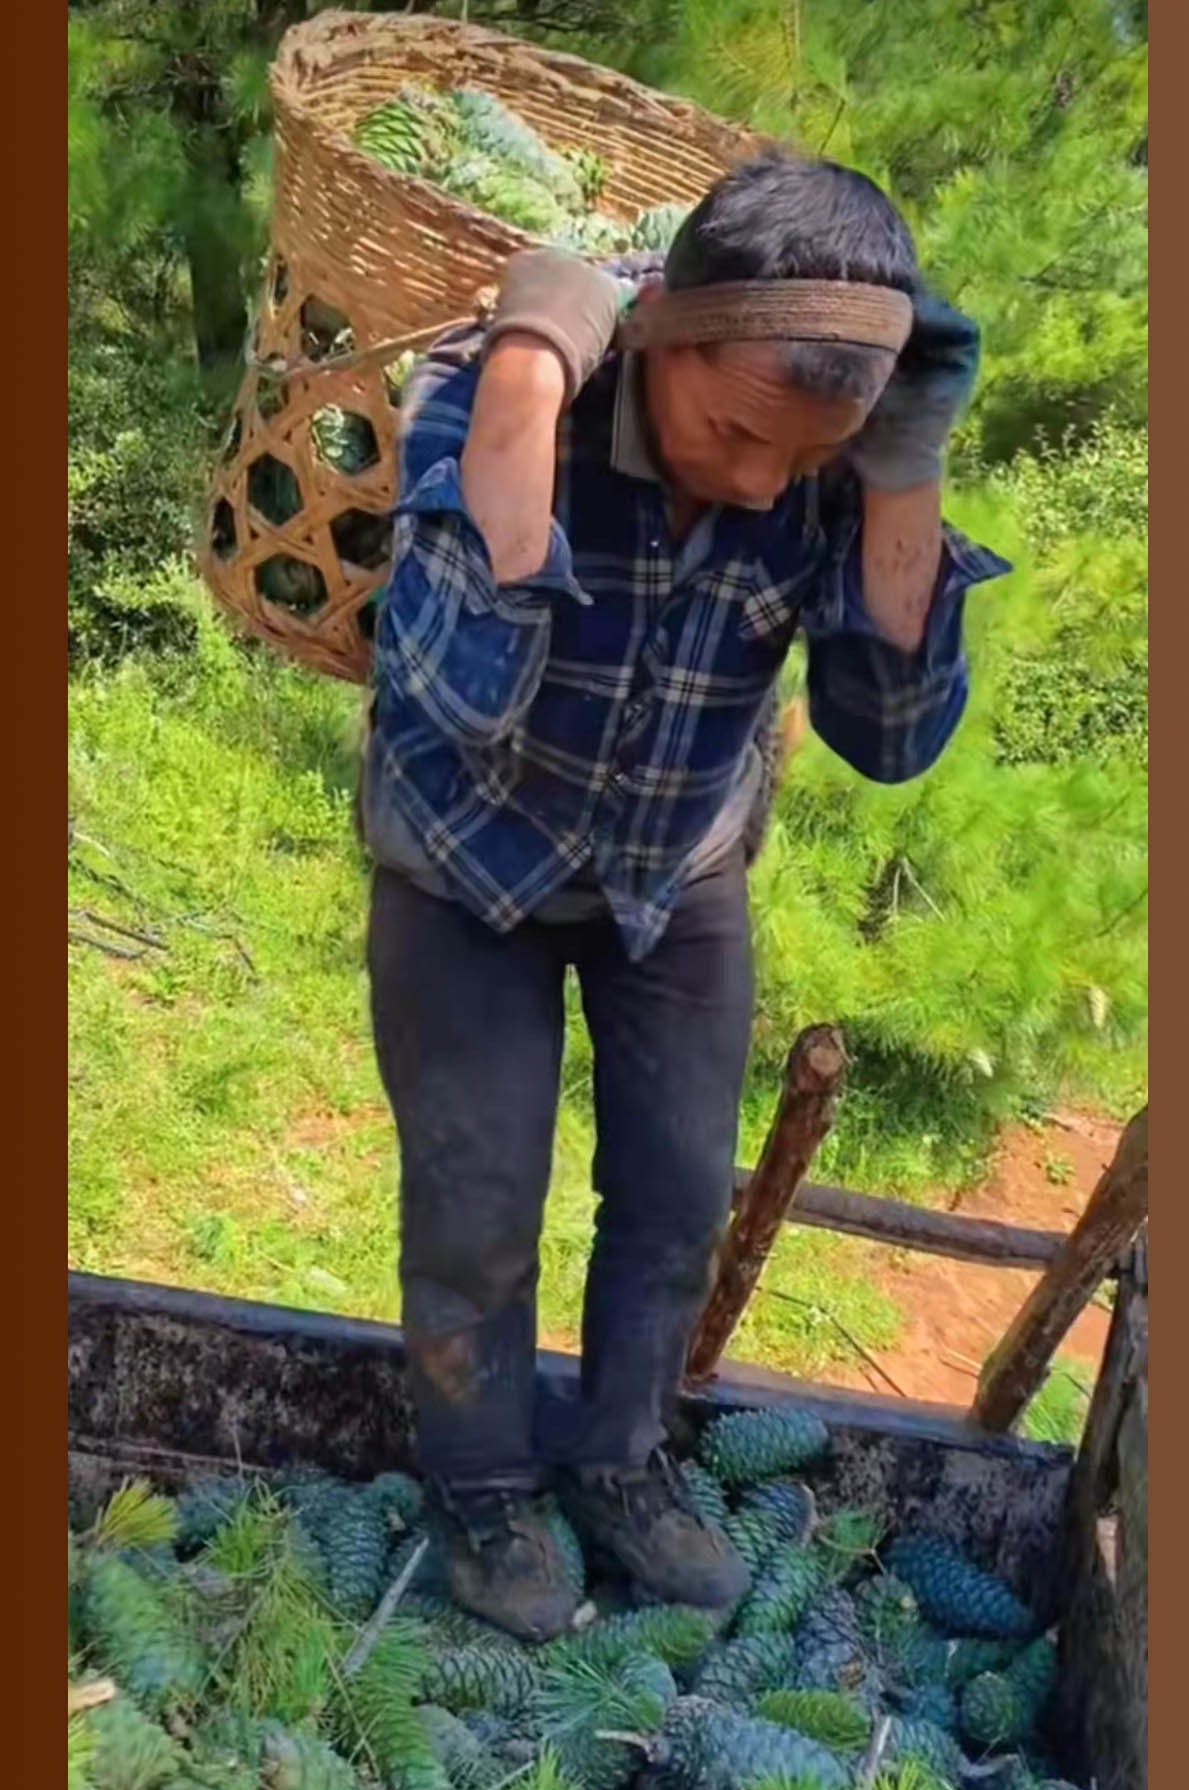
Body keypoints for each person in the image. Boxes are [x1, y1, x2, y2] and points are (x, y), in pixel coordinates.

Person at [363, 153, 1009, 1639]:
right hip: (469, 864)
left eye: (812, 451)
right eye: (734, 433)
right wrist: (526, 382)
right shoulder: (491, 405)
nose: (763, 480)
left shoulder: (831, 464)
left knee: (672, 1198)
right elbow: (457, 695)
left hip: (674, 865)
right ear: (661, 334)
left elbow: (891, 736)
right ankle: (478, 1490)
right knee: (475, 1205)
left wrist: (900, 471)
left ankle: (623, 1461)